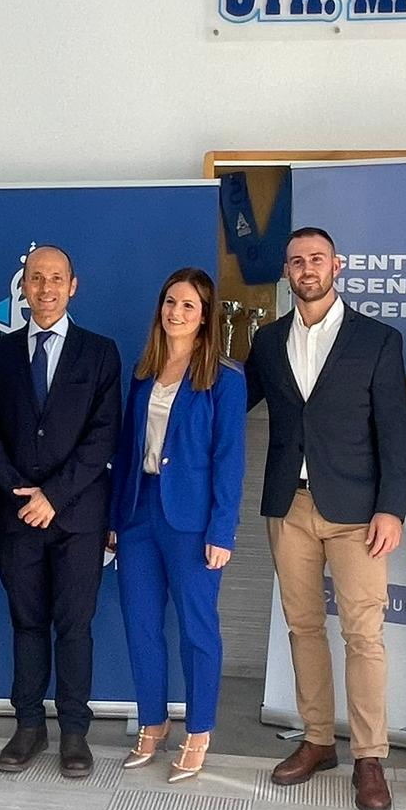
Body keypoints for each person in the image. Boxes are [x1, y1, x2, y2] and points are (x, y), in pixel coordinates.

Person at [244, 227, 406, 810]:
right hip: (289, 506)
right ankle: (318, 742)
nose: (307, 268)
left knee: (363, 635)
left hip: (359, 511)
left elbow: (396, 430)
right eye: (296, 261)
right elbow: (231, 404)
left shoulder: (377, 340)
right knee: (303, 627)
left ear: (336, 265)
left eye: (316, 258)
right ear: (286, 273)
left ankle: (369, 756)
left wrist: (393, 507)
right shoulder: (267, 342)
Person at [0, 245, 121, 778]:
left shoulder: (100, 353)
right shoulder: (0, 354)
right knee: (26, 622)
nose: (46, 288)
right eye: (36, 279)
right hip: (17, 516)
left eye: (56, 278)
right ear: (25, 287)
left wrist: (53, 496)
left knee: (75, 626)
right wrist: (19, 492)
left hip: (78, 515)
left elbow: (104, 435)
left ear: (72, 286)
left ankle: (74, 734)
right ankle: (28, 726)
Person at [108, 268, 246, 782]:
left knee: (196, 628)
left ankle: (200, 730)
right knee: (141, 624)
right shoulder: (143, 372)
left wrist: (221, 532)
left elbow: (230, 460)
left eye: (189, 306)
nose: (176, 313)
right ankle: (153, 723)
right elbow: (126, 451)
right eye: (170, 303)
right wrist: (115, 517)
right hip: (138, 512)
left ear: (205, 315)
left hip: (192, 521)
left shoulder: (226, 378)